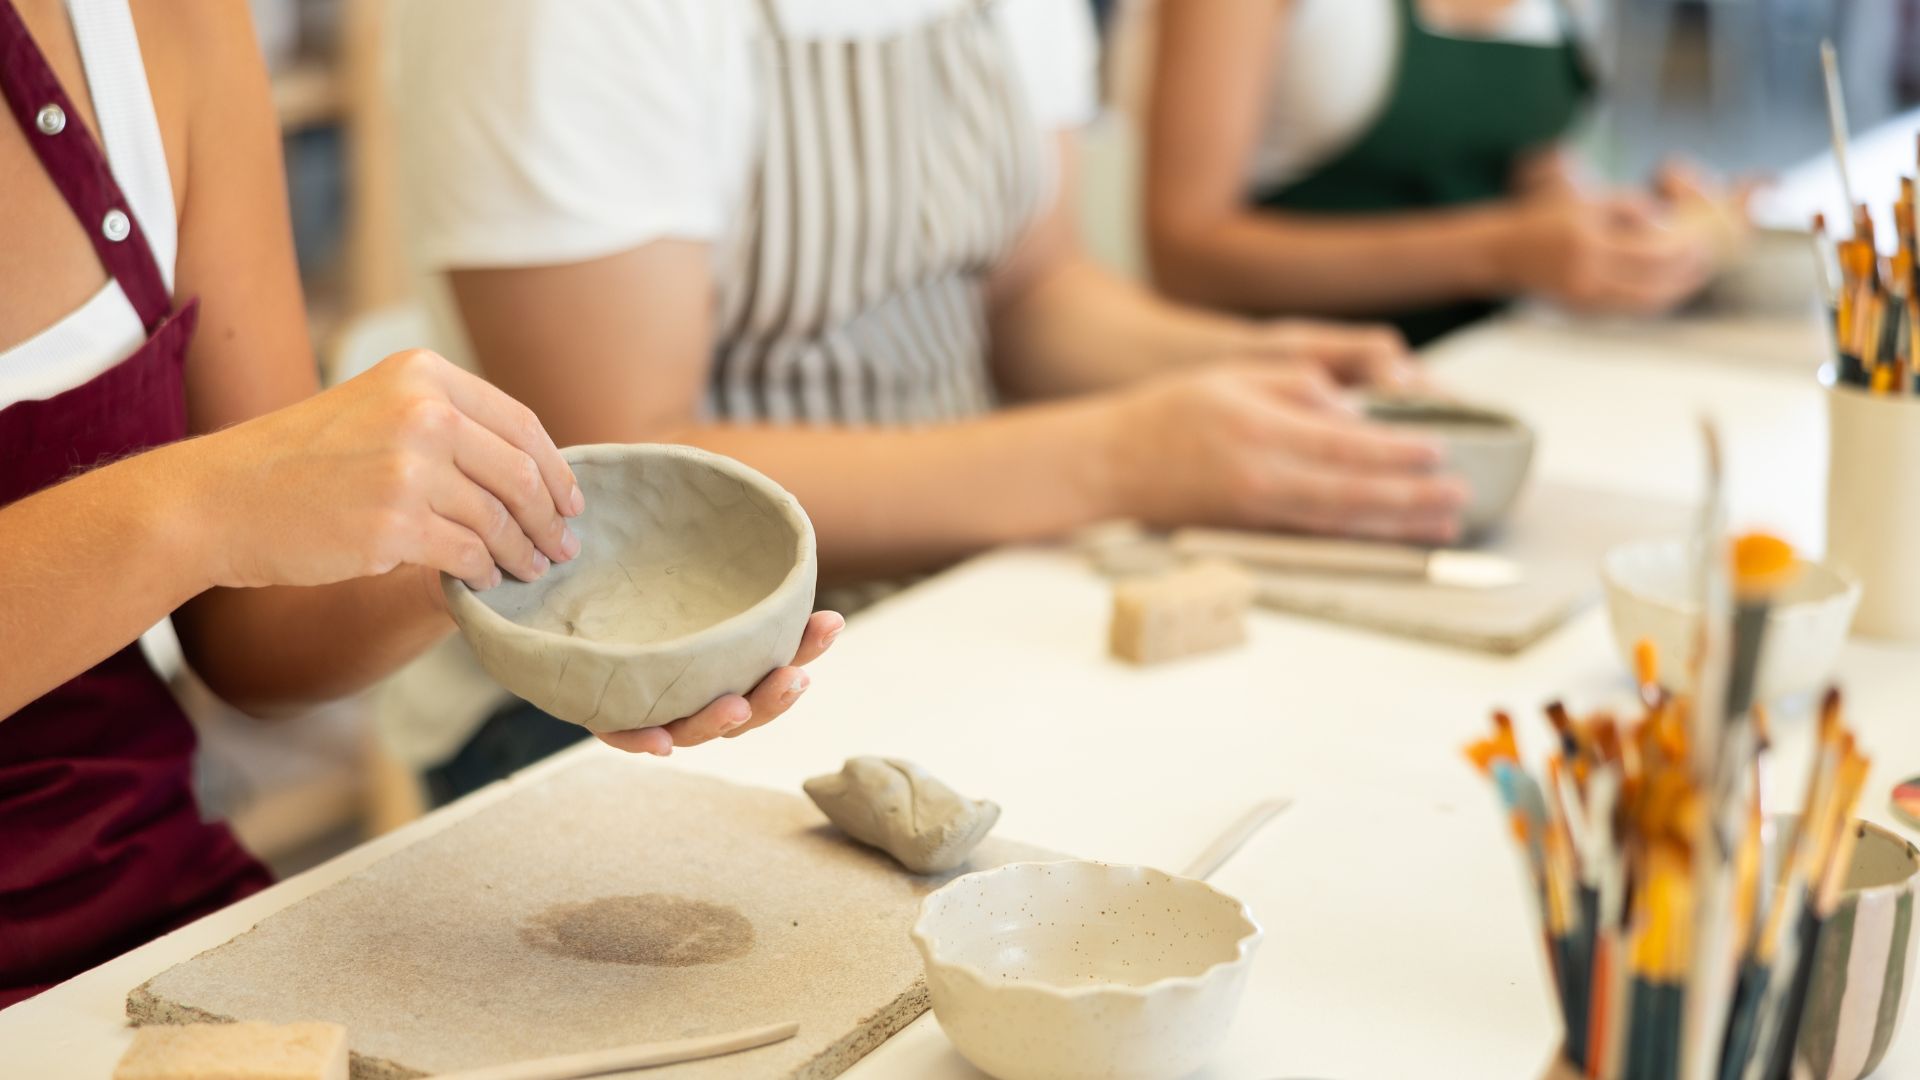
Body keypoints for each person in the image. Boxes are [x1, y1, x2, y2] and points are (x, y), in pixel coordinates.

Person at [383, 0, 1475, 785]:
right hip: (634, 698)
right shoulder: (551, 20)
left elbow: (1033, 292)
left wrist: (1244, 367)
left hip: (948, 589)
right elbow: (617, 461)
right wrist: (1125, 454)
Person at [0, 0, 836, 1006]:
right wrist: (206, 502)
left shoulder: (167, 22)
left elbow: (249, 641)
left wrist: (490, 560)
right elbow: (214, 514)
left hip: (141, 917)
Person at [1143, 0, 1740, 346]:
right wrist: (1498, 252)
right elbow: (1184, 254)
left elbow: (1529, 164)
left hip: (1494, 366)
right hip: (1281, 384)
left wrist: (1622, 226)